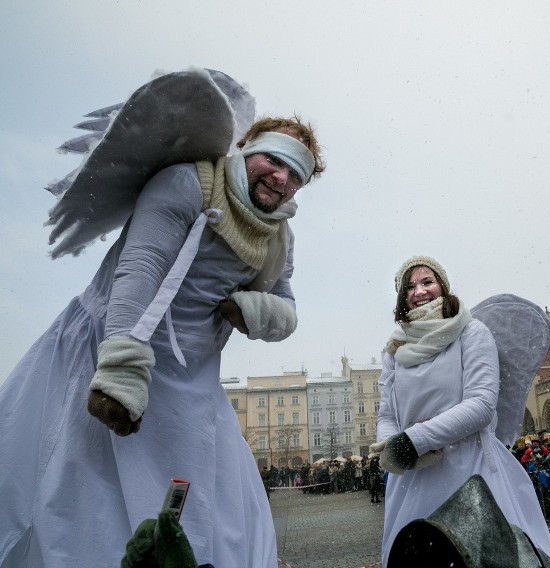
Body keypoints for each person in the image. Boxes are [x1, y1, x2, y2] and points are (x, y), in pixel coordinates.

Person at [0, 111, 325, 567]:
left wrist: (256, 309)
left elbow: (286, 307)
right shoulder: (188, 184)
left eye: (297, 174)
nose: (281, 177)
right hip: (113, 347)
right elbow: (142, 265)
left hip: (194, 382)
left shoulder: (278, 238)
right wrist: (120, 369)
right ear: (248, 147)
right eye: (275, 159)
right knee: (86, 500)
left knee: (215, 510)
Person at [373, 256, 550, 567]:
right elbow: (388, 413)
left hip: (469, 467)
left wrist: (417, 438)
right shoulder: (395, 349)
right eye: (410, 286)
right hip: (414, 477)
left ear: (442, 286)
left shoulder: (471, 332)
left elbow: (481, 404)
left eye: (427, 282)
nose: (419, 291)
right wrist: (392, 446)